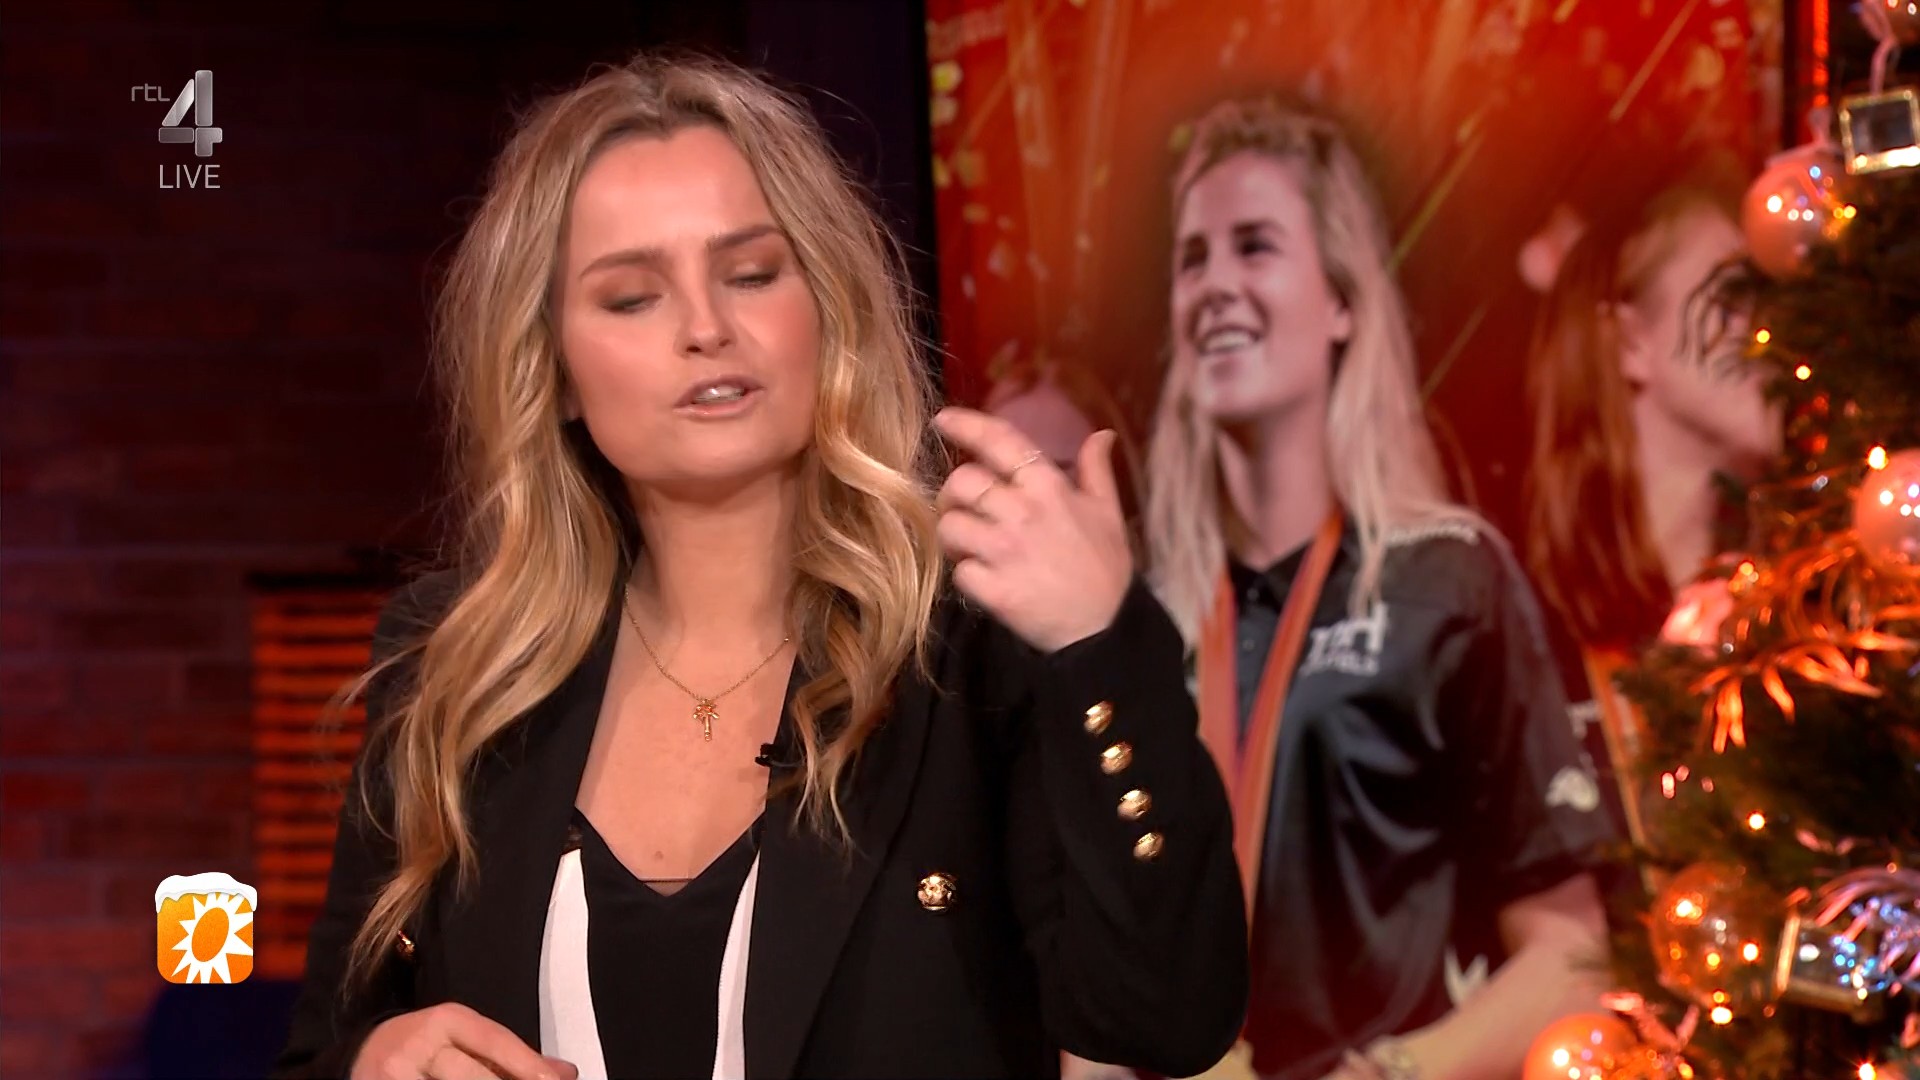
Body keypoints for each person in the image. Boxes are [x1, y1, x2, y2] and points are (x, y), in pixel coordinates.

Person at [271, 52, 1247, 1080]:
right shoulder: (454, 667)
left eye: (750, 275)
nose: (707, 329)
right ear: (553, 369)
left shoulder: (968, 653)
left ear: (825, 305)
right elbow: (318, 1055)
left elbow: (1166, 1018)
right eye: (632, 298)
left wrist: (1097, 648)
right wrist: (372, 1062)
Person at [1117, 96, 1616, 1080]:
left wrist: (1392, 1076)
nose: (1215, 286)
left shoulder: (1448, 580)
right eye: (1192, 259)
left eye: (1255, 246)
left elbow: (1573, 958)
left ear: (1342, 302)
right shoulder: (1137, 615)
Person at [1524, 169, 1782, 837]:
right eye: (1732, 300)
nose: (1770, 334)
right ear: (1629, 343)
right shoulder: (1521, 639)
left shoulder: (1798, 611)